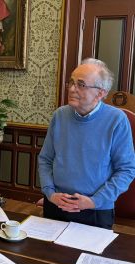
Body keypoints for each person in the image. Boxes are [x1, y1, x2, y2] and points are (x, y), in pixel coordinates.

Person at [38, 58, 135, 229]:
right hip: (56, 204)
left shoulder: (116, 120)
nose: (72, 89)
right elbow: (45, 159)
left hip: (95, 210)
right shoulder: (59, 116)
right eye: (72, 82)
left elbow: (126, 170)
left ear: (100, 93)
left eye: (81, 84)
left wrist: (93, 201)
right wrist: (50, 194)